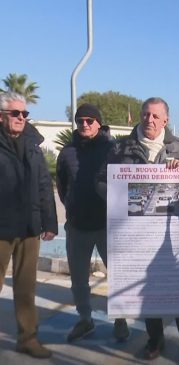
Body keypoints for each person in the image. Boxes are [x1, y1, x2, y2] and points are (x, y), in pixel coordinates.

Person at [98, 97, 179, 365]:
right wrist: (120, 195)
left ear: (166, 120)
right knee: (150, 292)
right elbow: (101, 182)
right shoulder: (121, 147)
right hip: (135, 233)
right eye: (146, 114)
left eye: (156, 116)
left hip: (170, 234)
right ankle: (155, 338)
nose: (150, 120)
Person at [56, 103, 129, 342]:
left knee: (118, 276)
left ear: (99, 122)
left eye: (89, 120)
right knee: (79, 280)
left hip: (108, 226)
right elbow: (61, 185)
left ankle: (121, 319)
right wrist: (72, 208)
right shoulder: (66, 152)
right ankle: (85, 320)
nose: (84, 124)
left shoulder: (113, 149)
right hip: (77, 226)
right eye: (80, 121)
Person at [0, 92, 58, 358]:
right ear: (1, 116)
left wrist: (50, 222)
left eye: (24, 114)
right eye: (16, 113)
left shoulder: (33, 145)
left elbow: (45, 184)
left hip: (29, 228)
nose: (21, 118)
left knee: (26, 287)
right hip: (1, 227)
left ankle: (28, 338)